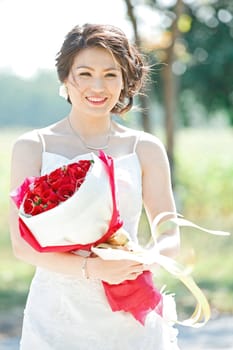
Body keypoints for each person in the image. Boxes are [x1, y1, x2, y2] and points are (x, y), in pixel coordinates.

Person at [9, 23, 181, 349]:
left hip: (132, 314)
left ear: (125, 81)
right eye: (85, 74)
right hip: (57, 316)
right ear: (65, 79)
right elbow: (22, 245)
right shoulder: (33, 147)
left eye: (111, 74)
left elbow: (170, 233)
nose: (98, 86)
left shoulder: (145, 148)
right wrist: (92, 269)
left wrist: (144, 260)